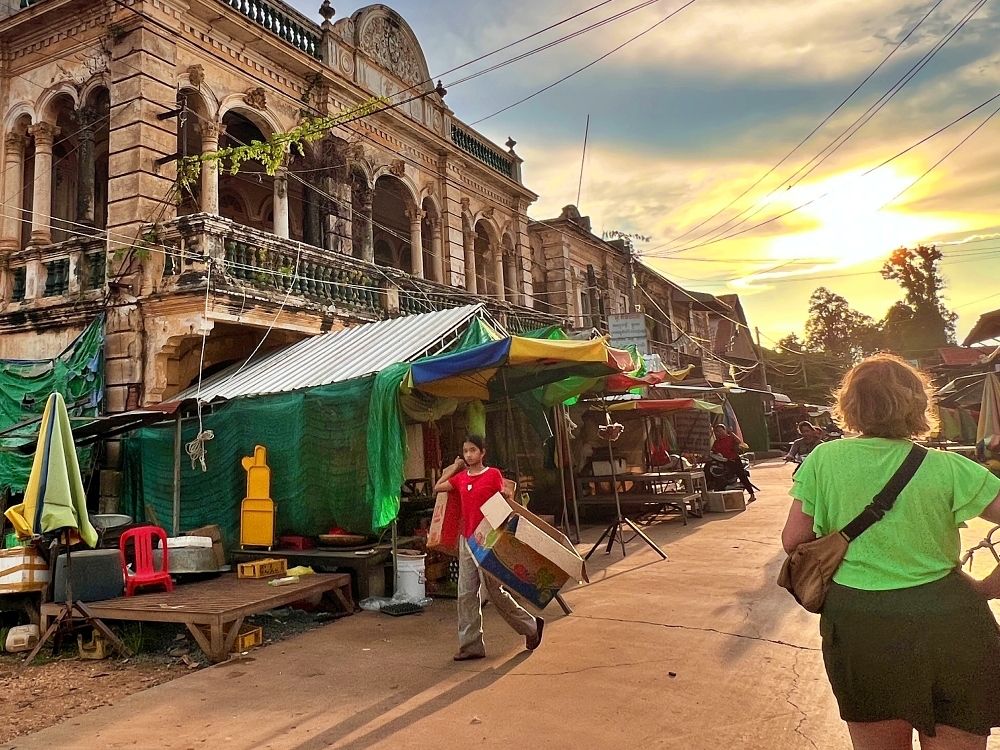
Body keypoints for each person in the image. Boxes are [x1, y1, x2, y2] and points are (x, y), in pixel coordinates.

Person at [781, 354, 1000, 750]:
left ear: (850, 405)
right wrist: (988, 586)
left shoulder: (824, 460)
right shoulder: (950, 468)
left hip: (862, 626)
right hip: (952, 622)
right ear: (918, 405)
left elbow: (793, 540)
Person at [433, 434, 543, 661]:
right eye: (465, 451)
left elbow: (506, 496)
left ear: (482, 452)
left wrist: (506, 495)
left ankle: (531, 626)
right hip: (467, 541)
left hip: (490, 541)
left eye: (473, 450)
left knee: (494, 593)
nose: (469, 455)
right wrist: (454, 467)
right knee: (466, 594)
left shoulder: (493, 474)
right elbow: (437, 487)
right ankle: (470, 646)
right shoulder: (460, 478)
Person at [710, 423, 757, 501]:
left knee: (742, 476)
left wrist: (731, 432)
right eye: (717, 431)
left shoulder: (730, 438)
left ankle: (752, 494)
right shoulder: (716, 442)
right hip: (724, 462)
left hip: (734, 460)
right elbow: (713, 452)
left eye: (721, 430)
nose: (719, 433)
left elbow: (739, 441)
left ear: (725, 430)